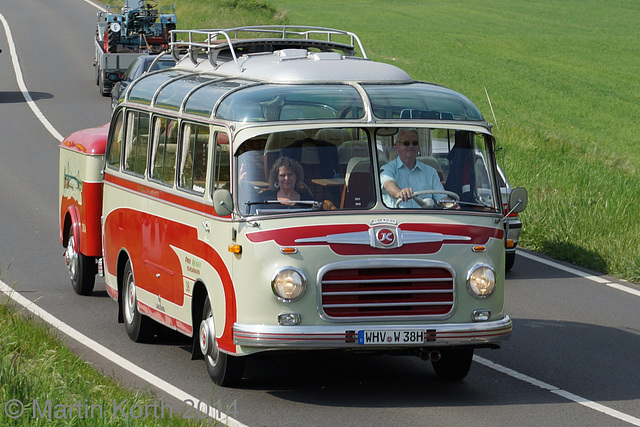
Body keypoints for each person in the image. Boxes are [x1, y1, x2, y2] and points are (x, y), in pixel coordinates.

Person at [380, 128, 447, 208]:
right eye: (406, 143)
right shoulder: (387, 169)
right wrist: (399, 193)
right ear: (397, 146)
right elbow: (388, 185)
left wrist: (451, 205)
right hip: (398, 218)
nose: (411, 146)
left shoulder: (431, 171)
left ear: (418, 147)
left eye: (415, 143)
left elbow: (442, 198)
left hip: (425, 218)